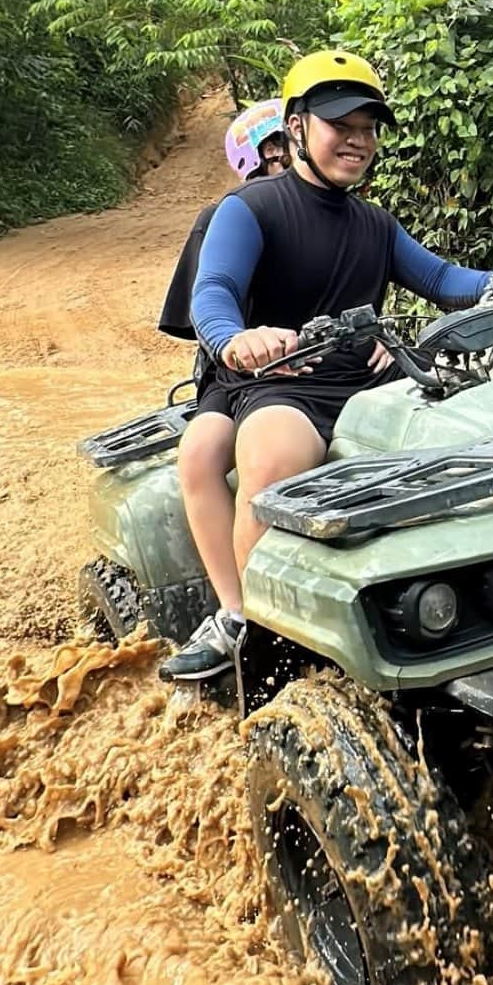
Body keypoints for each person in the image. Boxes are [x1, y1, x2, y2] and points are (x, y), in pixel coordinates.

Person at [158, 49, 493, 683]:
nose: (359, 140)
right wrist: (237, 338)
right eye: (341, 124)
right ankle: (253, 626)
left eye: (368, 128)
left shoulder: (375, 223)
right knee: (266, 454)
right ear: (296, 128)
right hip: (280, 381)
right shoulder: (250, 209)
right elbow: (215, 291)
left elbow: (442, 278)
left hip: (369, 369)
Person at [155, 100, 289, 664]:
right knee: (202, 452)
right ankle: (235, 611)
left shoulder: (340, 208)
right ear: (251, 164)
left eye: (288, 145)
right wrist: (240, 340)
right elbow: (205, 309)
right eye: (271, 153)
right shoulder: (226, 218)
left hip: (329, 361)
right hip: (238, 372)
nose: (282, 159)